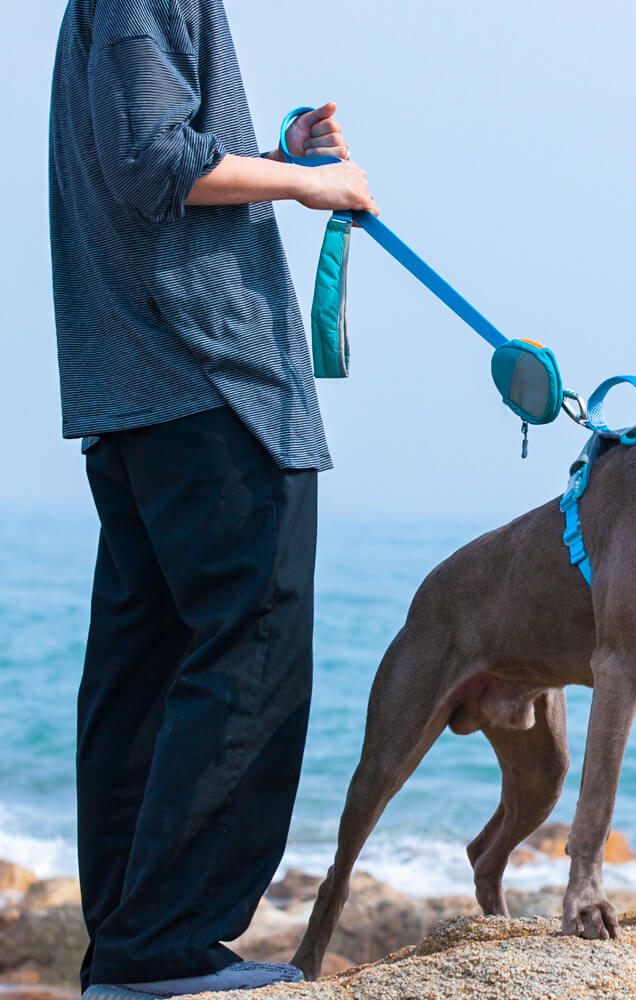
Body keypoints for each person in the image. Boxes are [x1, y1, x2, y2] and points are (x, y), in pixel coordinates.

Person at [48, 0, 377, 996]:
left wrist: (266, 155)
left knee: (144, 671)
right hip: (211, 377)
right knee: (250, 652)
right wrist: (312, 183)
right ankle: (166, 946)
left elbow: (156, 157)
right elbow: (156, 165)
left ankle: (130, 950)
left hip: (141, 388)